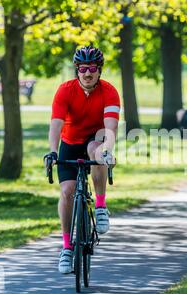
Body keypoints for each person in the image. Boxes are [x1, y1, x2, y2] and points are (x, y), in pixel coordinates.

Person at [44, 45, 120, 274]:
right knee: (67, 192)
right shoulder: (65, 90)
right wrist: (52, 150)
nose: (88, 73)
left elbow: (110, 128)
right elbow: (56, 124)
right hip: (69, 142)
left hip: (94, 139)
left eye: (93, 68)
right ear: (77, 70)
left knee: (97, 150)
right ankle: (67, 247)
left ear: (99, 70)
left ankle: (100, 205)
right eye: (83, 68)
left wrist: (107, 150)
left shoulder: (109, 91)